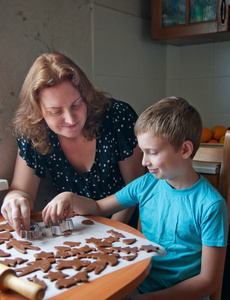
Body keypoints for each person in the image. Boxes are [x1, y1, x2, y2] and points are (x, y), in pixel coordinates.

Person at [42, 96, 228, 300]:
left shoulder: (211, 205)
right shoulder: (146, 184)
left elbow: (208, 282)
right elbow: (98, 207)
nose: (144, 161)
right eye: (143, 152)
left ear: (185, 149)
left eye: (152, 152)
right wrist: (69, 197)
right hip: (140, 283)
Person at [1, 52, 145, 235]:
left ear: (86, 95)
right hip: (74, 234)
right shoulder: (34, 132)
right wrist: (14, 199)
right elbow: (22, 191)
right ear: (38, 111)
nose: (70, 119)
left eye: (76, 105)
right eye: (55, 111)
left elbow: (135, 189)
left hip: (121, 230)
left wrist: (109, 237)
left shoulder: (117, 117)